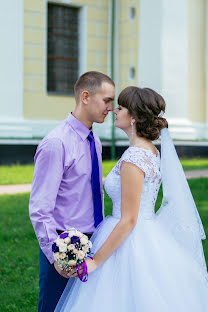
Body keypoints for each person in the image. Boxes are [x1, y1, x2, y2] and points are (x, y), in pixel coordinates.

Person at [55, 86, 208, 312]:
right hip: (147, 233)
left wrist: (95, 261)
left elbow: (128, 219)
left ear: (134, 117)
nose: (114, 110)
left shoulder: (135, 156)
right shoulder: (150, 151)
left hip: (129, 239)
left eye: (120, 107)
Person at [29, 71, 115, 312]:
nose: (111, 107)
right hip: (63, 245)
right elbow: (39, 209)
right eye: (107, 100)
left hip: (94, 242)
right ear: (85, 96)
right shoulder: (57, 143)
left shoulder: (94, 141)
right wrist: (56, 256)